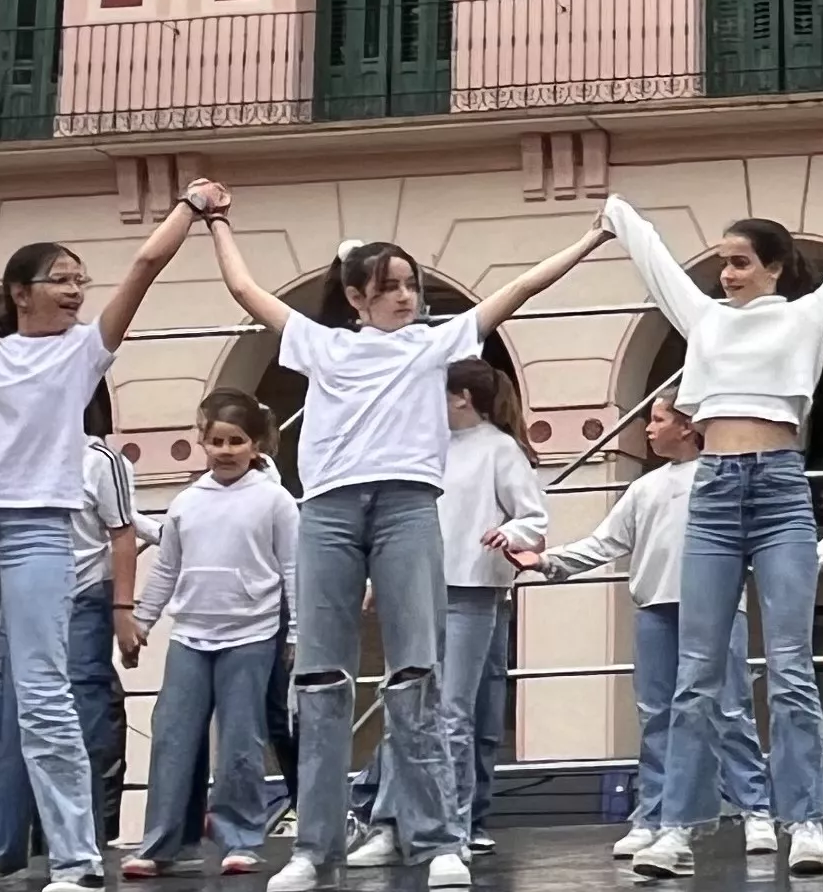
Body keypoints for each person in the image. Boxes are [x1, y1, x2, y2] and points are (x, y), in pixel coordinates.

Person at [205, 212, 610, 892]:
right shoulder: (321, 343)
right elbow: (246, 290)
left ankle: (437, 839)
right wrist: (215, 222)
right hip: (331, 509)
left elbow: (519, 290)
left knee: (417, 673)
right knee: (322, 680)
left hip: (407, 506)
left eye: (411, 285)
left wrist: (593, 237)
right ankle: (314, 847)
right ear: (358, 296)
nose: (406, 296)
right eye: (390, 286)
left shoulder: (435, 343)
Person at [0, 158, 218, 892]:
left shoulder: (83, 351)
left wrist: (191, 204)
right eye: (60, 277)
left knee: (46, 698)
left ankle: (78, 861)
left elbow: (147, 263)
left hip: (36, 533)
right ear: (21, 293)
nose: (76, 287)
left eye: (80, 278)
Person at [605, 152, 823, 879]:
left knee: (790, 667)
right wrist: (620, 214)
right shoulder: (704, 320)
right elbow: (658, 264)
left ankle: (806, 824)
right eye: (723, 262)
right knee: (697, 673)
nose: (725, 273)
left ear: (775, 267)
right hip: (717, 491)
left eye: (739, 262)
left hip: (782, 488)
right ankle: (677, 830)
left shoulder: (808, 317)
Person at [513, 395, 775, 861]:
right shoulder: (645, 489)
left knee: (730, 710)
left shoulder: (723, 478)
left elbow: (770, 530)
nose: (648, 430)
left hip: (715, 612)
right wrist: (549, 562)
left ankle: (755, 809)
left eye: (657, 420)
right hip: (655, 609)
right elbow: (605, 542)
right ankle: (652, 814)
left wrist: (818, 560)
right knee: (657, 715)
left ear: (687, 426)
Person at [121, 391, 298, 879]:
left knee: (241, 741)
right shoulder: (186, 503)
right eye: (216, 441)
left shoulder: (275, 501)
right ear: (203, 442)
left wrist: (297, 632)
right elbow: (166, 569)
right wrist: (142, 620)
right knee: (172, 736)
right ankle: (163, 841)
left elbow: (293, 569)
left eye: (236, 441)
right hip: (191, 636)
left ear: (255, 444)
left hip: (252, 634)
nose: (225, 450)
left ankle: (241, 837)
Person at [0, 388, 142, 881]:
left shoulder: (100, 459)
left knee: (79, 724)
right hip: (19, 602)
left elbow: (122, 533)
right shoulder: (15, 454)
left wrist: (122, 609)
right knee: (5, 722)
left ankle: (72, 846)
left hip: (82, 599)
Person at [408, 360, 546, 856]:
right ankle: (431, 820)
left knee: (454, 713)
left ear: (461, 396)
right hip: (423, 588)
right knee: (426, 707)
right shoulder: (428, 446)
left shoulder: (499, 449)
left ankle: (455, 825)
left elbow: (533, 517)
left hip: (472, 589)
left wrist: (507, 532)